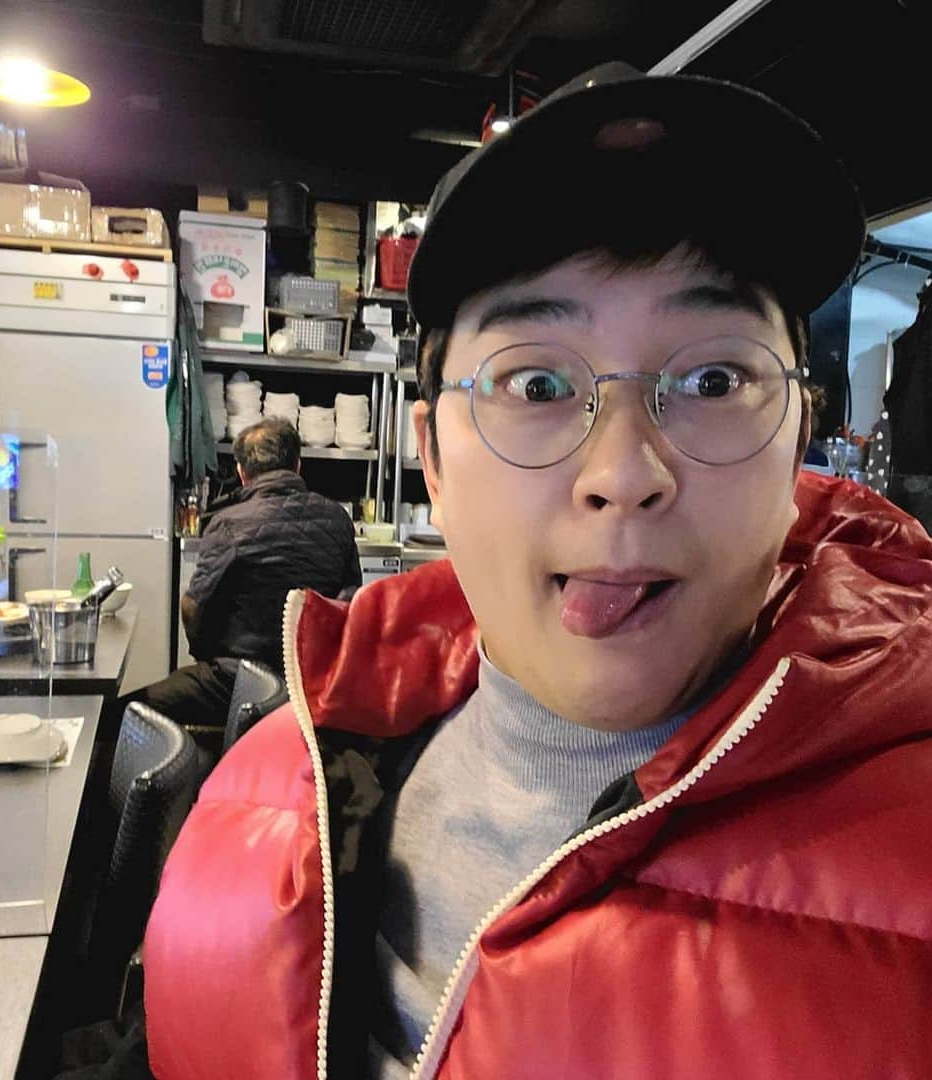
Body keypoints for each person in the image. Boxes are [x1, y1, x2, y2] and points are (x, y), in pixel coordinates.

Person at [142, 64, 932, 1079]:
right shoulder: (263, 795)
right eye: (538, 384)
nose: (623, 476)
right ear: (433, 460)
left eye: (712, 379)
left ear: (798, 452)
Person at [123, 416, 360, 746]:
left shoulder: (228, 524)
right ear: (297, 465)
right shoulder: (338, 519)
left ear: (242, 472)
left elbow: (193, 608)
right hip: (313, 681)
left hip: (237, 679)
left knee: (131, 710)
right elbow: (350, 600)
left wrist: (206, 656)